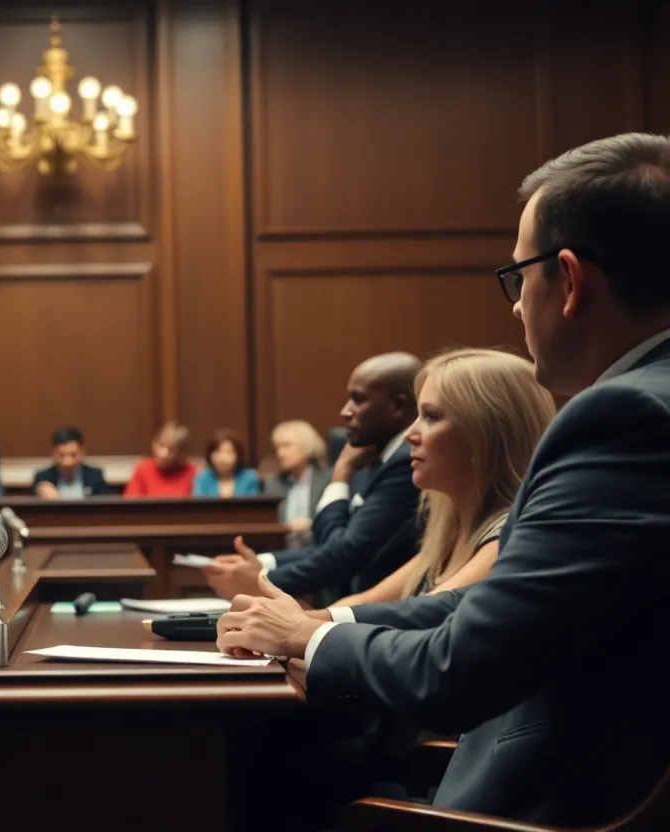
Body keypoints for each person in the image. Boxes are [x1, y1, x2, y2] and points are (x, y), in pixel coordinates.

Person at [216, 133, 670, 827]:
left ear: (570, 281)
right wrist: (311, 625)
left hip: (546, 811)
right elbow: (485, 609)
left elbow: (460, 669)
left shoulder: (627, 417)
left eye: (519, 278)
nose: (516, 306)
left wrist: (308, 640)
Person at [332, 348, 555, 606]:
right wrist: (295, 622)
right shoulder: (449, 531)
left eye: (431, 417)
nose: (409, 435)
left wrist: (299, 627)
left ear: (486, 434)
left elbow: (415, 617)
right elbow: (364, 603)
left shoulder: (507, 535)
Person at [203, 353, 422, 602]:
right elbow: (331, 543)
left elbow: (343, 553)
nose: (345, 411)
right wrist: (262, 563)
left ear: (398, 406)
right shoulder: (374, 459)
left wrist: (259, 580)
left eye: (358, 400)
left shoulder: (405, 462)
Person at [261, 420, 332, 544]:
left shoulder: (327, 479)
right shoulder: (273, 484)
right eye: (277, 447)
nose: (280, 453)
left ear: (306, 447)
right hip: (283, 552)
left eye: (286, 445)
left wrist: (311, 525)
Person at [32, 425, 111, 498]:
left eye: (73, 455)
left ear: (82, 452)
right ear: (53, 454)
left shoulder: (94, 476)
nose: (67, 462)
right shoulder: (43, 478)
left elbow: (106, 506)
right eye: (61, 455)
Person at [123, 420, 197, 497]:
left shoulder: (190, 472)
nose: (163, 454)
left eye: (171, 450)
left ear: (180, 454)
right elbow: (131, 504)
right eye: (161, 445)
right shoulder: (143, 469)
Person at [192, 429, 261, 497]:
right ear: (210, 454)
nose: (223, 458)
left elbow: (252, 506)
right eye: (218, 451)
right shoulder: (202, 478)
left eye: (229, 452)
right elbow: (198, 506)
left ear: (238, 455)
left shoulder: (249, 477)